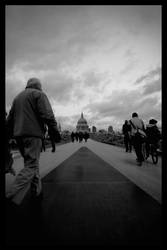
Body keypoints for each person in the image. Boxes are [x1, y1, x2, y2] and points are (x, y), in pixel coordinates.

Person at [6, 78, 59, 204]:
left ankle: (37, 192)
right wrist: (55, 131)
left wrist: (8, 135)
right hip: (33, 134)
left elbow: (10, 119)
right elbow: (48, 115)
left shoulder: (17, 97)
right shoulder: (39, 94)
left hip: (18, 136)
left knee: (31, 163)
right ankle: (9, 194)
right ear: (38, 86)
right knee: (31, 165)